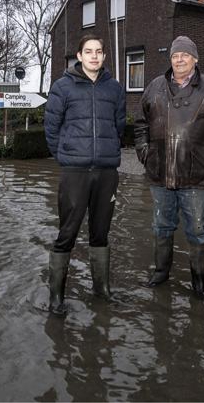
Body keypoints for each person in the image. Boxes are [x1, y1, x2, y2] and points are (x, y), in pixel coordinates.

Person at [134, 36, 204, 297]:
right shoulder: (155, 86)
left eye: (185, 55)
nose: (179, 59)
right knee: (161, 226)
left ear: (195, 59)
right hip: (160, 173)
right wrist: (144, 152)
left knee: (198, 229)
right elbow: (140, 123)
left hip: (197, 175)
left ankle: (198, 281)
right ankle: (161, 273)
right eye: (175, 56)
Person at [43, 35, 126, 315]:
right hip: (74, 172)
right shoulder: (62, 87)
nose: (94, 56)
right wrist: (66, 156)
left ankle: (101, 290)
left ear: (104, 56)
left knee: (100, 234)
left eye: (99, 52)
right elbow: (51, 130)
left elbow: (118, 125)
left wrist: (109, 152)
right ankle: (56, 298)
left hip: (106, 173)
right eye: (88, 51)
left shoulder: (114, 88)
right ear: (79, 55)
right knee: (66, 233)